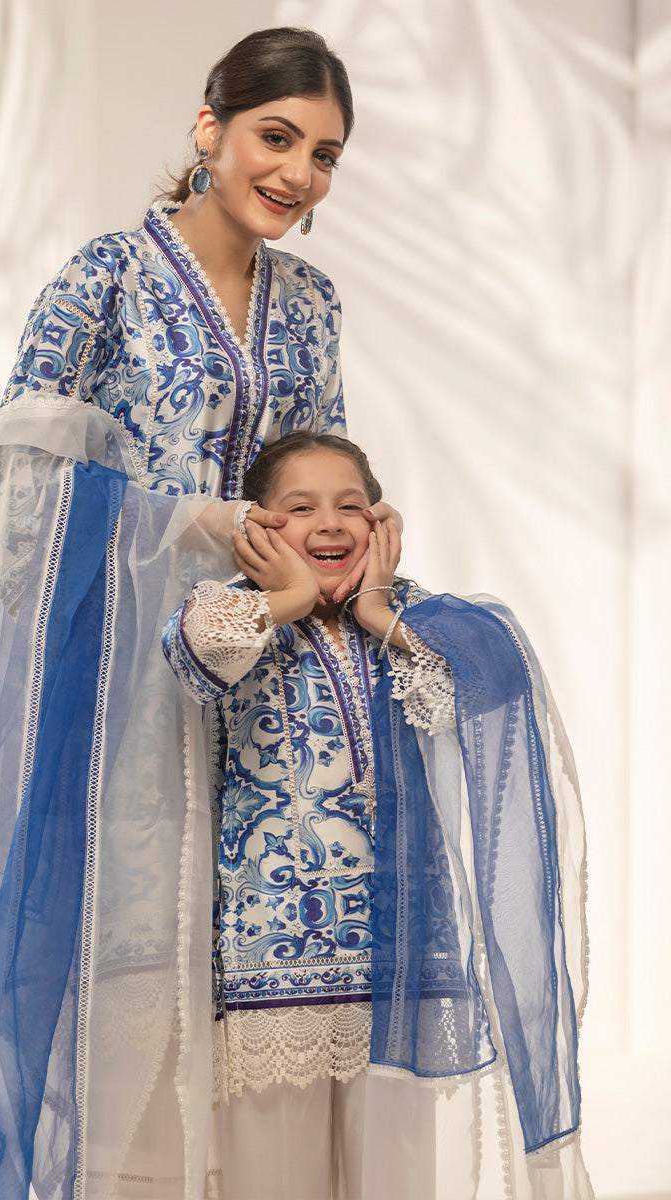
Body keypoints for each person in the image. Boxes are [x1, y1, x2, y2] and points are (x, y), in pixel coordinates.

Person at [0, 27, 401, 1200]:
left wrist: (353, 534)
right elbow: (15, 482)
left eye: (323, 155)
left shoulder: (312, 303)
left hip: (268, 673)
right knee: (131, 961)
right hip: (124, 666)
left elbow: (308, 470)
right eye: (275, 137)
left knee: (250, 970)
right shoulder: (106, 278)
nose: (295, 174)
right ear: (209, 129)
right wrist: (183, 522)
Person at [162, 432, 593, 1199]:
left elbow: (491, 686)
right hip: (274, 970)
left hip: (400, 967)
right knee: (275, 1183)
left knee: (395, 1180)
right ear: (258, 527)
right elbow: (196, 653)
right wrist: (289, 597)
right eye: (300, 509)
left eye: (350, 507)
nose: (329, 524)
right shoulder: (232, 607)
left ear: (383, 524)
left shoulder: (414, 619)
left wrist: (374, 608)